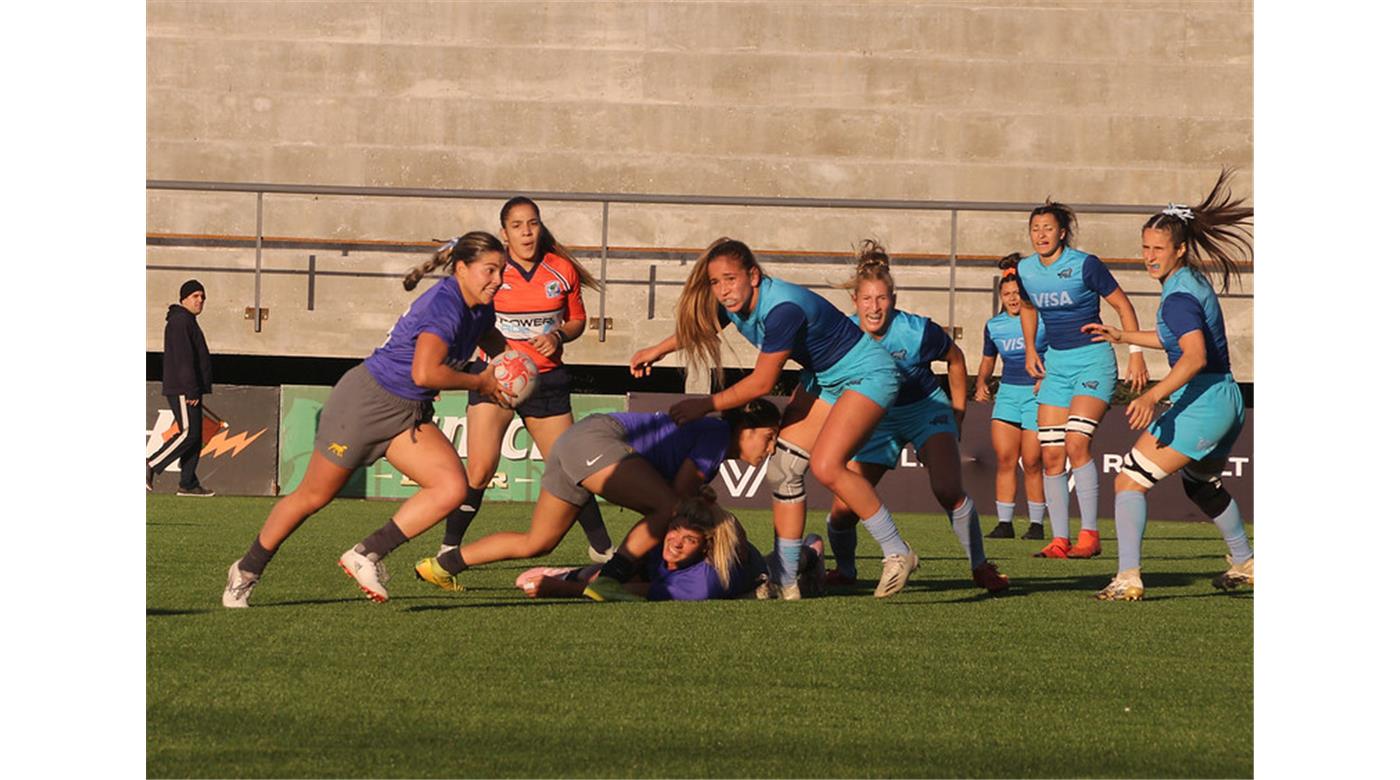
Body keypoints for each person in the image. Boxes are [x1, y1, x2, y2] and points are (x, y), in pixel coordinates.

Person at [221, 232, 513, 608]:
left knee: (452, 488)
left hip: (408, 412)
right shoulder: (446, 304)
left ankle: (366, 554)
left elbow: (492, 342)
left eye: (501, 270)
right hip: (365, 404)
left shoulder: (479, 307)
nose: (498, 279)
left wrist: (517, 366)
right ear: (461, 268)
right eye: (489, 270)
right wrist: (482, 381)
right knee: (313, 496)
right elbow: (426, 373)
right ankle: (246, 570)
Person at [619, 237, 905, 601]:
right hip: (828, 381)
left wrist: (704, 405)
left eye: (730, 279)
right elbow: (703, 328)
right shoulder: (736, 304)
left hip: (869, 374)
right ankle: (786, 580)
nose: (723, 290)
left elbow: (762, 382)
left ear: (752, 276)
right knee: (783, 469)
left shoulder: (781, 309)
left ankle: (897, 552)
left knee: (828, 466)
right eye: (715, 282)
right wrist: (656, 350)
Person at [1084, 170, 1253, 600]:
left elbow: (1193, 356)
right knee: (1201, 484)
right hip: (1226, 399)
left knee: (1128, 481)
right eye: (1145, 247)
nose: (1149, 256)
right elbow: (1178, 341)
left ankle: (1127, 578)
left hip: (1204, 400)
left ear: (1179, 249)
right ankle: (1246, 562)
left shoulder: (1176, 296)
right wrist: (1123, 336)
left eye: (1158, 248)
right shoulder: (1189, 282)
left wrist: (1152, 394)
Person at [413, 400, 781, 597]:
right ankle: (610, 579)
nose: (771, 447)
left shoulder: (714, 442)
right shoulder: (718, 434)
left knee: (537, 542)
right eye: (767, 437)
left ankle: (443, 565)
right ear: (744, 430)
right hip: (597, 440)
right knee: (668, 508)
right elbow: (677, 501)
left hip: (579, 442)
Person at [824, 241, 1009, 594]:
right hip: (875, 417)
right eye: (867, 300)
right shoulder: (842, 335)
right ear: (854, 301)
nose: (874, 308)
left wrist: (957, 412)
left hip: (925, 409)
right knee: (842, 510)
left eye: (881, 299)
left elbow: (955, 360)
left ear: (893, 298)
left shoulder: (917, 331)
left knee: (947, 489)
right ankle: (845, 571)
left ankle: (980, 566)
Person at [436, 197, 615, 563]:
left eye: (532, 223)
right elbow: (467, 320)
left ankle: (604, 551)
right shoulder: (493, 271)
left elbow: (577, 320)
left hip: (547, 382)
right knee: (481, 469)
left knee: (573, 468)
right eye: (517, 226)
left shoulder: (561, 270)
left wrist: (558, 336)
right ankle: (449, 548)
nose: (526, 232)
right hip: (494, 380)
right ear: (504, 233)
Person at [1017, 201, 1149, 558]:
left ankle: (1090, 536)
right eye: (1035, 229)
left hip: (1093, 361)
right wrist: (1031, 350)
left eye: (1048, 228)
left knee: (1076, 443)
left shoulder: (1085, 264)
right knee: (1051, 455)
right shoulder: (1025, 270)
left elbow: (1123, 305)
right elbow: (1028, 308)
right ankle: (1060, 540)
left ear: (1062, 232)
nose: (1040, 235)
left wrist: (1135, 355)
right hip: (1056, 366)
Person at [513, 499, 771, 601]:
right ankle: (573, 572)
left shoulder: (701, 583)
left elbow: (623, 592)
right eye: (675, 529)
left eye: (690, 539)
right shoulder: (661, 541)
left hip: (758, 570)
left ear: (706, 548)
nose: (676, 542)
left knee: (803, 557)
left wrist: (558, 589)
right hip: (665, 569)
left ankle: (809, 550)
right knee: (611, 574)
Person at [975, 255, 1049, 539]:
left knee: (1031, 461)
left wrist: (1048, 377)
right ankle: (1004, 523)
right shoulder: (993, 326)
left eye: (1017, 293)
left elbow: (1056, 351)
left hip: (1035, 393)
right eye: (1007, 294)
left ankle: (1036, 524)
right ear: (1001, 297)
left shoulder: (1039, 321)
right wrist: (982, 382)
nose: (1012, 299)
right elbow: (987, 359)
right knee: (1006, 458)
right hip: (1007, 394)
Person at [146, 279, 215, 497]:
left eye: (202, 297)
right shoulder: (180, 321)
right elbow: (184, 360)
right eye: (195, 296)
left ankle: (188, 482)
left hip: (190, 387)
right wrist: (191, 389)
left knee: (195, 434)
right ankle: (150, 465)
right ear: (183, 298)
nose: (200, 300)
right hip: (184, 388)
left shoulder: (187, 321)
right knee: (189, 434)